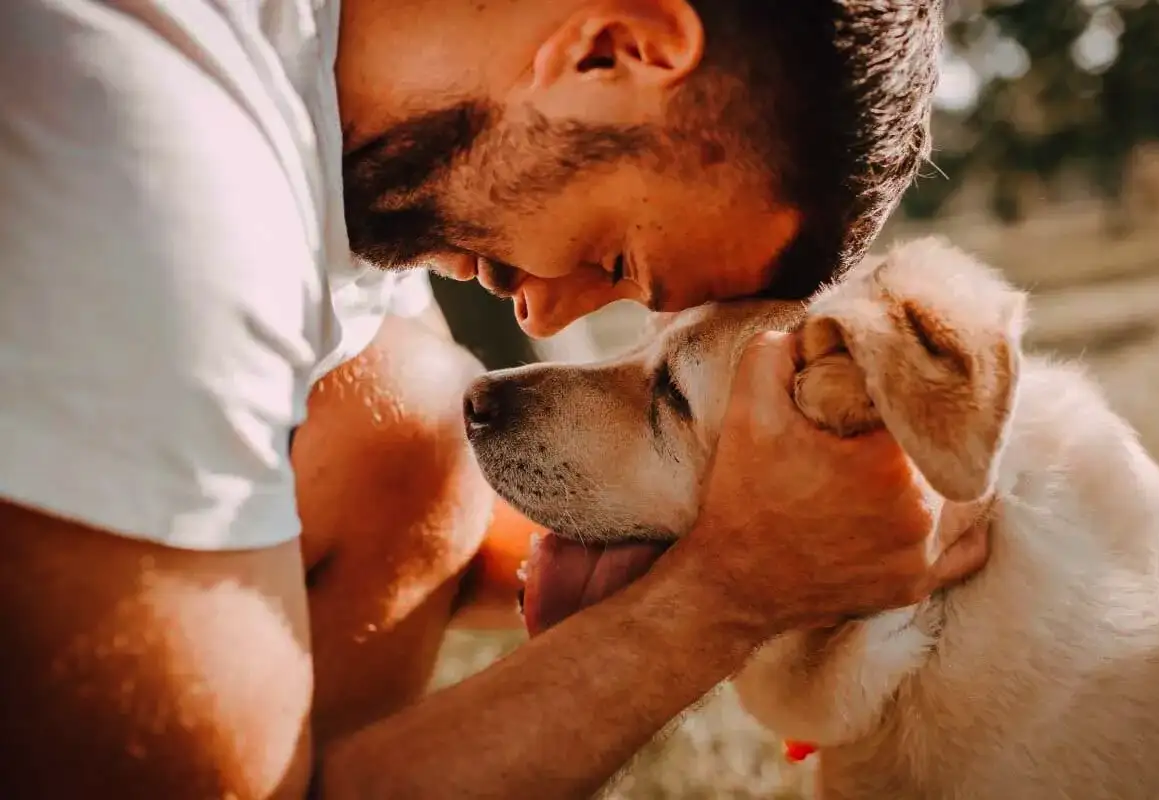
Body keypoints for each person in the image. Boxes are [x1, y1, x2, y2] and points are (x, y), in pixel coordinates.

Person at [0, 0, 986, 797]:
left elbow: (439, 525)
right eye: (614, 256)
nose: (548, 319)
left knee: (408, 421)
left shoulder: (331, 117)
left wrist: (803, 540)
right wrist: (731, 591)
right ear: (613, 49)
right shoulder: (155, 159)